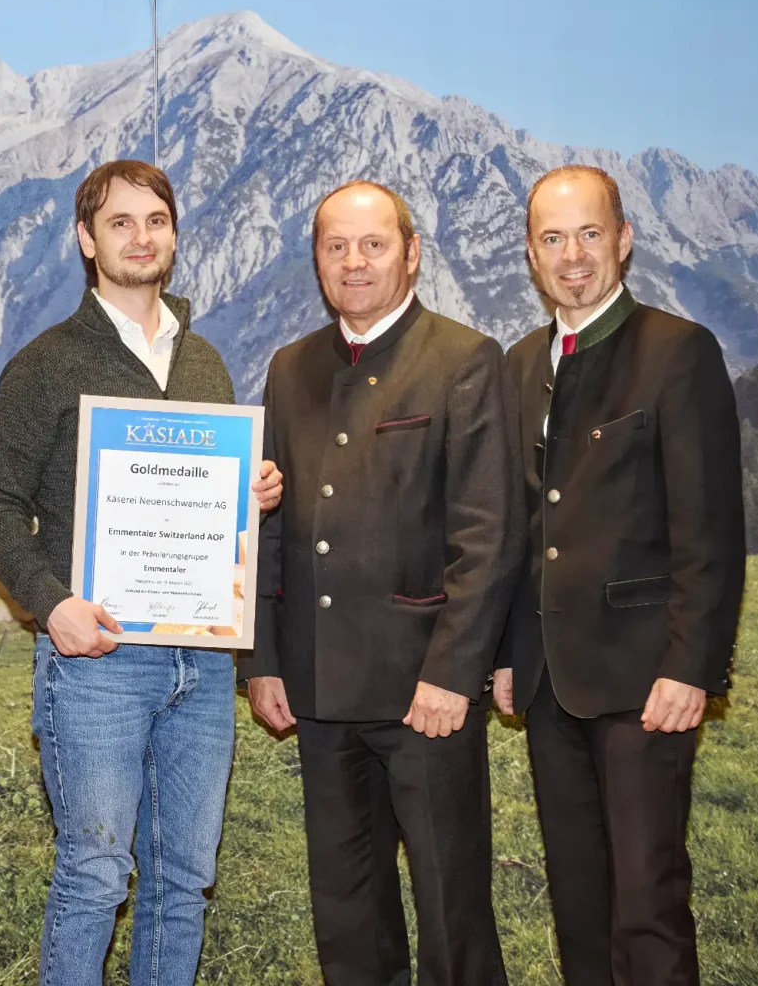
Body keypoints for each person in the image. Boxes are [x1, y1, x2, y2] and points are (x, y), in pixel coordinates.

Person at [0, 159, 281, 986]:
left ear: (173, 235)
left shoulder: (207, 362)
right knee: (95, 876)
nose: (141, 238)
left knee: (185, 880)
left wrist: (251, 491)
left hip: (204, 663)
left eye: (156, 221)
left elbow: (213, 505)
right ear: (86, 239)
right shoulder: (47, 363)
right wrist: (51, 605)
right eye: (120, 223)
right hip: (95, 663)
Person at [239, 180, 523, 986]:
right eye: (336, 247)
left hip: (422, 695)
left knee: (451, 911)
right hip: (319, 690)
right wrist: (262, 660)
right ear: (318, 262)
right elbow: (269, 524)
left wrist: (451, 673)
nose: (354, 262)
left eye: (372, 245)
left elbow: (489, 535)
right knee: (347, 914)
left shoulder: (464, 359)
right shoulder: (290, 367)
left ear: (411, 253)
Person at [494, 165, 745, 985]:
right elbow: (525, 529)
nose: (573, 256)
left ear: (625, 240)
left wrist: (690, 665)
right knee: (578, 901)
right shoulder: (521, 362)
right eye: (554, 239)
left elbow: (709, 530)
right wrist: (508, 652)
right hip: (547, 683)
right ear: (531, 256)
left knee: (648, 902)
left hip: (646, 681)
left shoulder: (678, 351)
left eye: (590, 234)